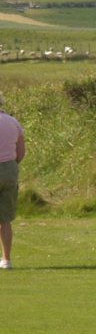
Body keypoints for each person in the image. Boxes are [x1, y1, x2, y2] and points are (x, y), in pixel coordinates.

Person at [0, 93, 26, 270]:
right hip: (9, 170)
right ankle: (6, 259)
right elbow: (21, 152)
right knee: (5, 218)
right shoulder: (13, 122)